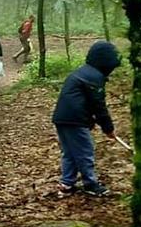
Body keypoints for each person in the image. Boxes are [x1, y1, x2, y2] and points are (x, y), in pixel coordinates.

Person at [52, 41, 121, 197]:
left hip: (62, 118)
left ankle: (67, 184)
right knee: (85, 151)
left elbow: (85, 102)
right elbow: (98, 105)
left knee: (70, 152)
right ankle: (90, 184)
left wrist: (93, 121)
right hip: (74, 120)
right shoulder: (93, 77)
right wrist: (108, 128)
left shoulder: (83, 72)